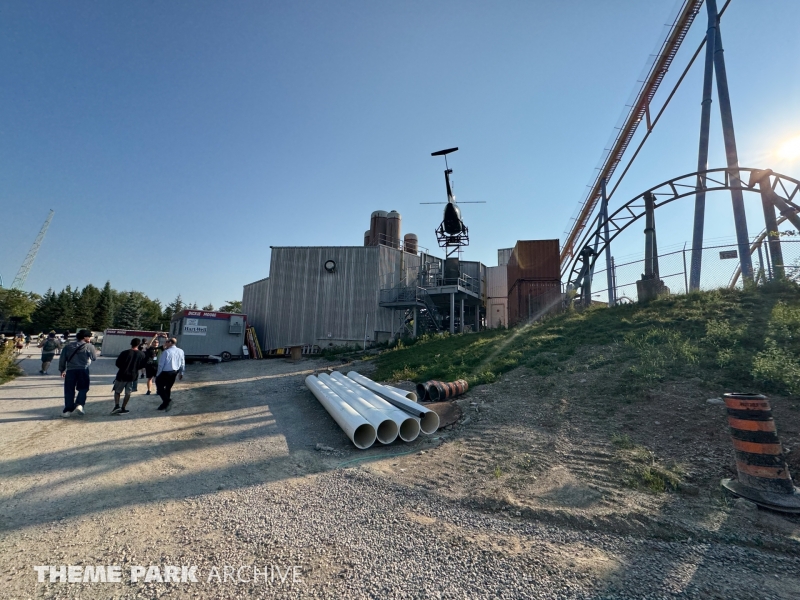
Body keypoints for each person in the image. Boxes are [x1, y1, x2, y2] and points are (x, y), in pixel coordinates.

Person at [58, 329, 98, 417]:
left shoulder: (68, 346)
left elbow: (62, 359)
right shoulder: (89, 346)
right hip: (83, 370)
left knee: (69, 390)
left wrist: (62, 370)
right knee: (83, 388)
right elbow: (94, 358)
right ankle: (79, 404)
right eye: (89, 337)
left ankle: (67, 410)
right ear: (85, 337)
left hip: (71, 370)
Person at [111, 338, 147, 415]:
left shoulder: (124, 353)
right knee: (128, 393)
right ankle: (123, 407)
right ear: (138, 344)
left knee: (117, 391)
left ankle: (117, 406)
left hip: (122, 374)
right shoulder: (142, 354)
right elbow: (143, 365)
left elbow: (117, 363)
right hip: (133, 376)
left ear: (131, 343)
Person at [155, 337, 185, 411]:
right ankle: (165, 404)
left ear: (170, 343)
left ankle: (167, 401)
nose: (165, 343)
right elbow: (182, 362)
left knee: (159, 386)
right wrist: (181, 372)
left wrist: (158, 374)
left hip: (166, 372)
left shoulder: (166, 352)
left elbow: (161, 364)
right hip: (174, 372)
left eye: (167, 342)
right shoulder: (181, 351)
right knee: (168, 387)